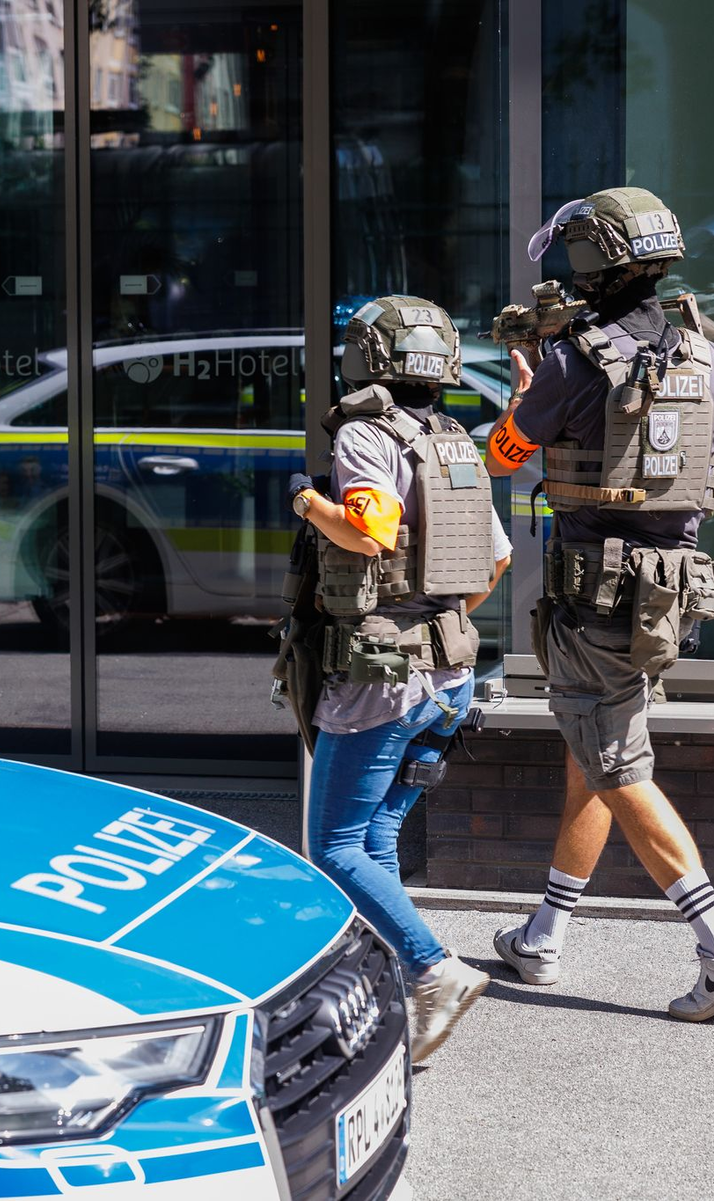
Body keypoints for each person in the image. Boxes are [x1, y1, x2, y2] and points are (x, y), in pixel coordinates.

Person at [485, 186, 714, 1021]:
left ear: (589, 261)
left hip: (599, 595)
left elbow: (505, 456)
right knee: (596, 750)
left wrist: (525, 394)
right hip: (672, 595)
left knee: (617, 765)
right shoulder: (699, 344)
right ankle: (545, 931)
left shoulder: (572, 359)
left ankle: (712, 940)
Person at [290, 295, 511, 1062]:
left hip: (381, 677)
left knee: (334, 845)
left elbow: (372, 530)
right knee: (380, 833)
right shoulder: (455, 439)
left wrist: (307, 501)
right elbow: (499, 558)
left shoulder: (365, 433)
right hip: (450, 675)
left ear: (368, 358)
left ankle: (431, 968)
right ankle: (395, 988)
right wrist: (439, 622)